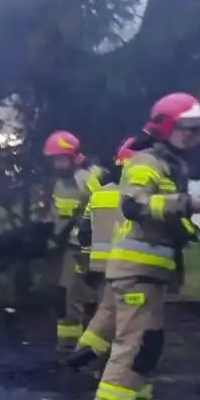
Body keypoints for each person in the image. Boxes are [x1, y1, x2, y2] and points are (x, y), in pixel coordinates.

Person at [88, 93, 200, 400]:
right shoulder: (147, 161)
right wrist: (191, 204)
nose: (192, 135)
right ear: (166, 125)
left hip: (152, 270)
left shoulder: (170, 164)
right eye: (186, 128)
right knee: (133, 343)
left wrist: (187, 225)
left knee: (149, 345)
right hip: (136, 269)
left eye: (196, 130)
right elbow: (134, 204)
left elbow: (164, 218)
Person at [67, 138, 132, 371]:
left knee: (103, 315)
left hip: (100, 269)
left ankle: (83, 359)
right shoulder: (142, 198)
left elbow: (84, 232)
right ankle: (106, 366)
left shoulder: (100, 195)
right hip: (132, 269)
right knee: (125, 322)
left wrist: (87, 262)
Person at [45, 130, 98, 353]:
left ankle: (72, 349)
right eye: (54, 159)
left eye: (61, 158)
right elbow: (55, 215)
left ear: (73, 156)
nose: (57, 164)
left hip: (86, 249)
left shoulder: (88, 181)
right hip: (65, 247)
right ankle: (69, 345)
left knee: (74, 298)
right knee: (62, 296)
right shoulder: (60, 184)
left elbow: (102, 212)